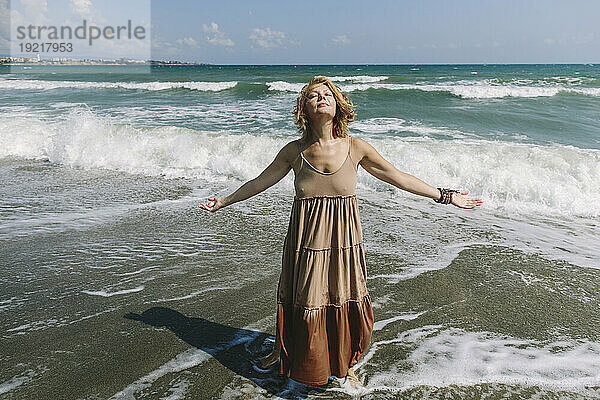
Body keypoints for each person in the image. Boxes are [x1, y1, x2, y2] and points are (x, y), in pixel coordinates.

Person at [199, 76, 483, 387]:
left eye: (326, 95)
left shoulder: (356, 147)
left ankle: (345, 364)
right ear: (303, 109)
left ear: (338, 105)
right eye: (312, 96)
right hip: (305, 241)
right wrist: (225, 200)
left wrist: (445, 195)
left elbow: (398, 177)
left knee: (345, 295)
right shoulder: (293, 151)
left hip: (344, 241)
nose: (320, 98)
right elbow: (260, 182)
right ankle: (286, 352)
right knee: (302, 297)